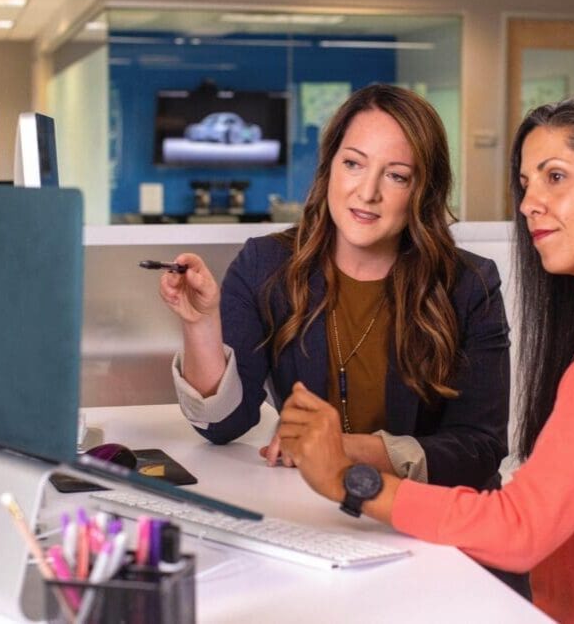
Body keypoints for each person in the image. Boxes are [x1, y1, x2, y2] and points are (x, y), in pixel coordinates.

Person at [277, 91, 574, 622]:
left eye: (555, 177)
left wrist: (349, 481)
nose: (530, 202)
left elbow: (520, 530)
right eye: (527, 183)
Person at [159, 83, 527, 594]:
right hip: (320, 530)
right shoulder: (266, 265)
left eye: (396, 176)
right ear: (330, 165)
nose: (367, 192)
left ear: (423, 191)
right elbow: (223, 424)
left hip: (437, 538)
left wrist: (343, 452)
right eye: (354, 164)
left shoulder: (469, 283)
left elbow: (480, 449)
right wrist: (200, 323)